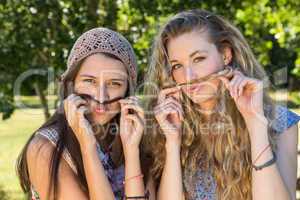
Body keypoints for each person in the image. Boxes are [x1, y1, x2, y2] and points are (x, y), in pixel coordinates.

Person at [143, 9, 300, 200]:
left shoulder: (281, 122)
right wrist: (173, 142)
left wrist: (255, 122)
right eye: (177, 66)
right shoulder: (165, 126)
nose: (189, 76)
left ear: (225, 55)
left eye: (198, 59)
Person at [17, 27, 155, 200]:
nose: (101, 96)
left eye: (114, 83)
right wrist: (87, 146)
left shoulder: (137, 140)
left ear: (128, 91)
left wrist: (132, 152)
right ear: (71, 83)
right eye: (89, 81)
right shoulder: (45, 148)